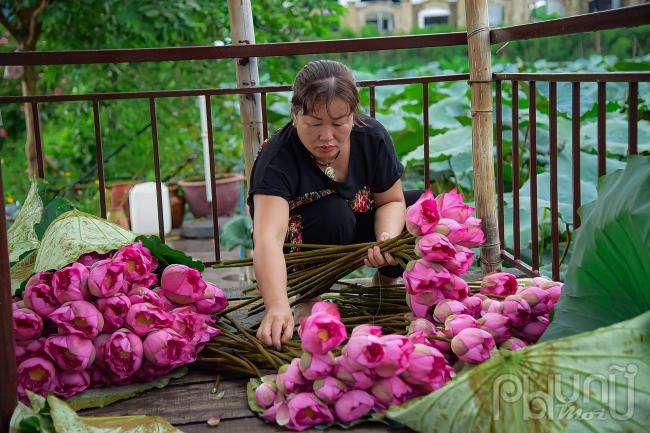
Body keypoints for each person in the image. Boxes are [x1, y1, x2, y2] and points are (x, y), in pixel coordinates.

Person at [248, 60, 420, 349]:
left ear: (352, 116)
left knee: (416, 208)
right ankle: (307, 297)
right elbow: (268, 239)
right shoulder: (277, 160)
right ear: (295, 114)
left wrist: (387, 239)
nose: (326, 136)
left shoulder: (371, 137)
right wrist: (277, 306)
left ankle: (386, 282)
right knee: (332, 213)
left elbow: (391, 200)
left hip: (357, 228)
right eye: (314, 124)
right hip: (305, 249)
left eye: (339, 124)